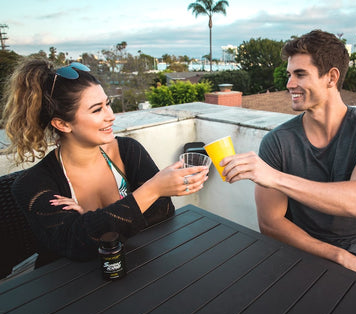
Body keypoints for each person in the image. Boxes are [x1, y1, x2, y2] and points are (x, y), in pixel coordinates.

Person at [220, 30, 356, 305]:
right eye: (289, 74)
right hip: (308, 255)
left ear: (332, 77)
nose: (289, 83)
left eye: (300, 74)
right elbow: (270, 223)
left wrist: (275, 178)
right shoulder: (277, 142)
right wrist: (338, 256)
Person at [2, 58, 209, 261]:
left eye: (107, 104)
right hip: (70, 285)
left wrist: (91, 222)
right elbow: (74, 243)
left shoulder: (127, 150)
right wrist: (152, 189)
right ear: (62, 124)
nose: (111, 116)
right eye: (97, 109)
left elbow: (162, 212)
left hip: (135, 265)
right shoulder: (32, 184)